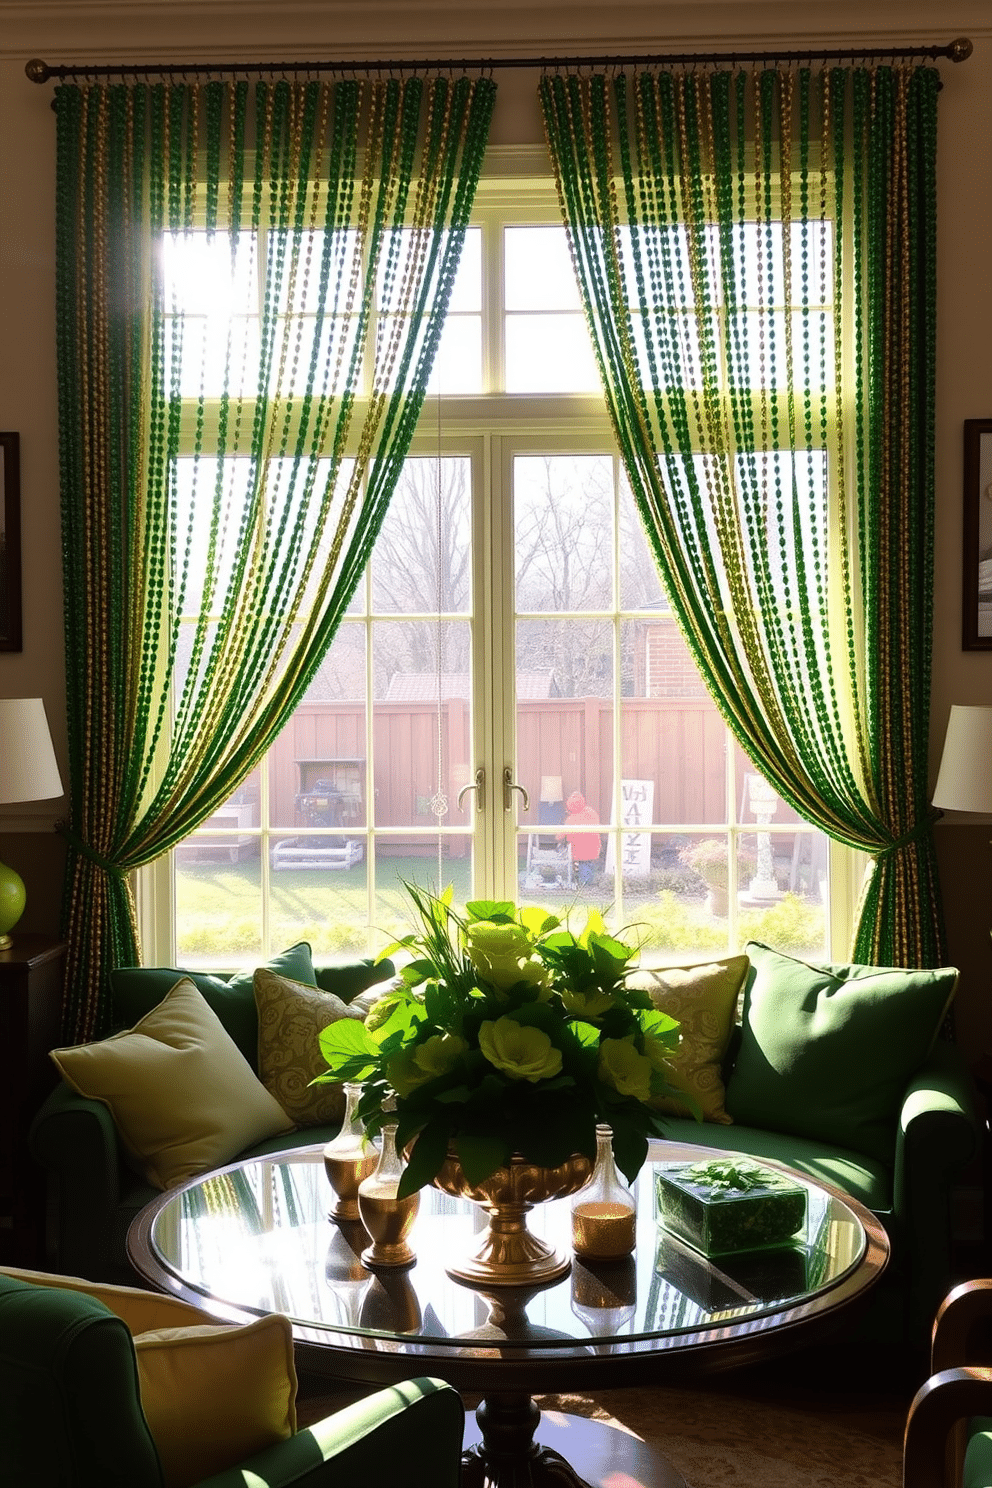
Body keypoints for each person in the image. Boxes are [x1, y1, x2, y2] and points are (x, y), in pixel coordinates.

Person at [560, 790, 601, 886]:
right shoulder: (591, 812)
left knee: (583, 866)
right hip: (594, 846)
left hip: (579, 849)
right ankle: (588, 882)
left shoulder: (571, 819)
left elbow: (561, 835)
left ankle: (584, 885)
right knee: (588, 864)